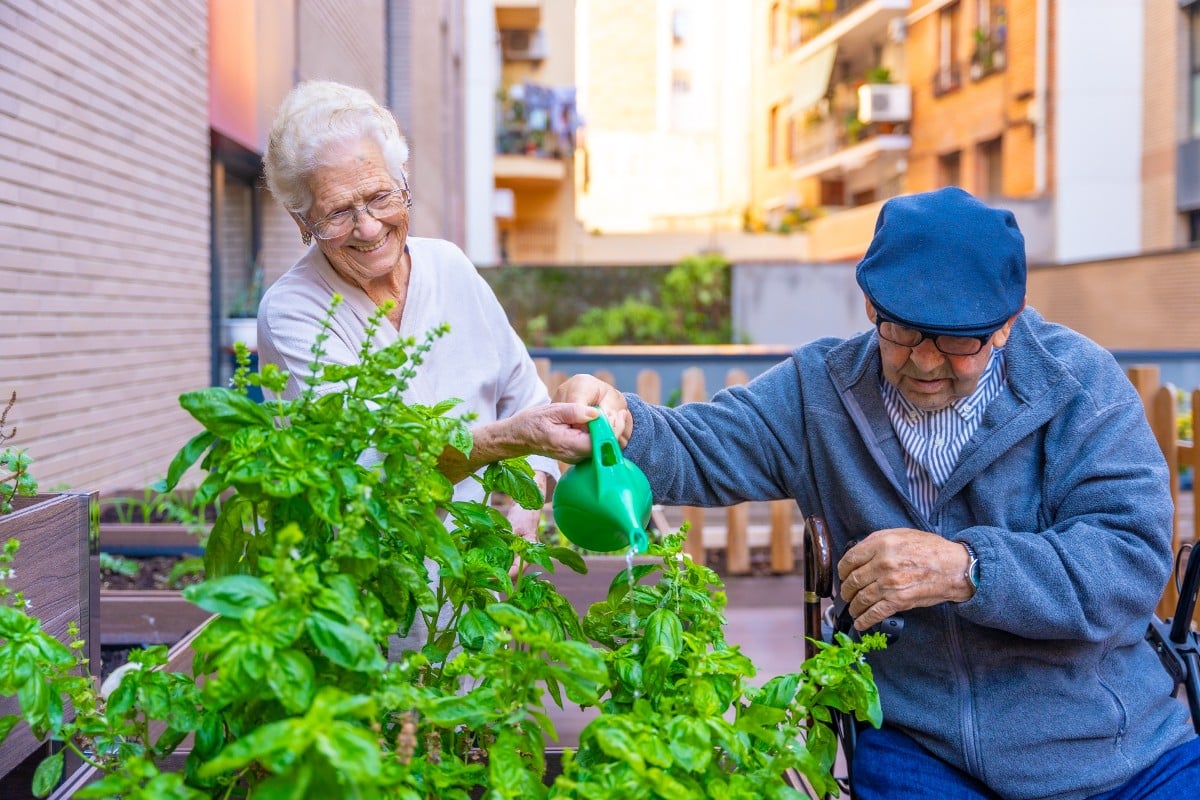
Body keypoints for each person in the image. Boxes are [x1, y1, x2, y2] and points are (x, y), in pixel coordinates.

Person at [551, 187, 1200, 799]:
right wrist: (622, 421)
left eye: (957, 340)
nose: (922, 360)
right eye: (902, 329)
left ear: (1007, 324)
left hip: (1107, 740)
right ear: (870, 307)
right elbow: (700, 446)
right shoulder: (821, 389)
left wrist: (966, 569)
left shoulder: (1078, 384)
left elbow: (1129, 558)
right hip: (921, 739)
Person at [257, 80, 594, 555]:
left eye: (380, 197)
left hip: (472, 598)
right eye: (338, 213)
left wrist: (527, 503)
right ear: (301, 222)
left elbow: (524, 396)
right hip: (359, 599)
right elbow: (371, 469)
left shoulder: (450, 266)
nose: (369, 227)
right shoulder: (294, 312)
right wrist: (510, 439)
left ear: (405, 181)